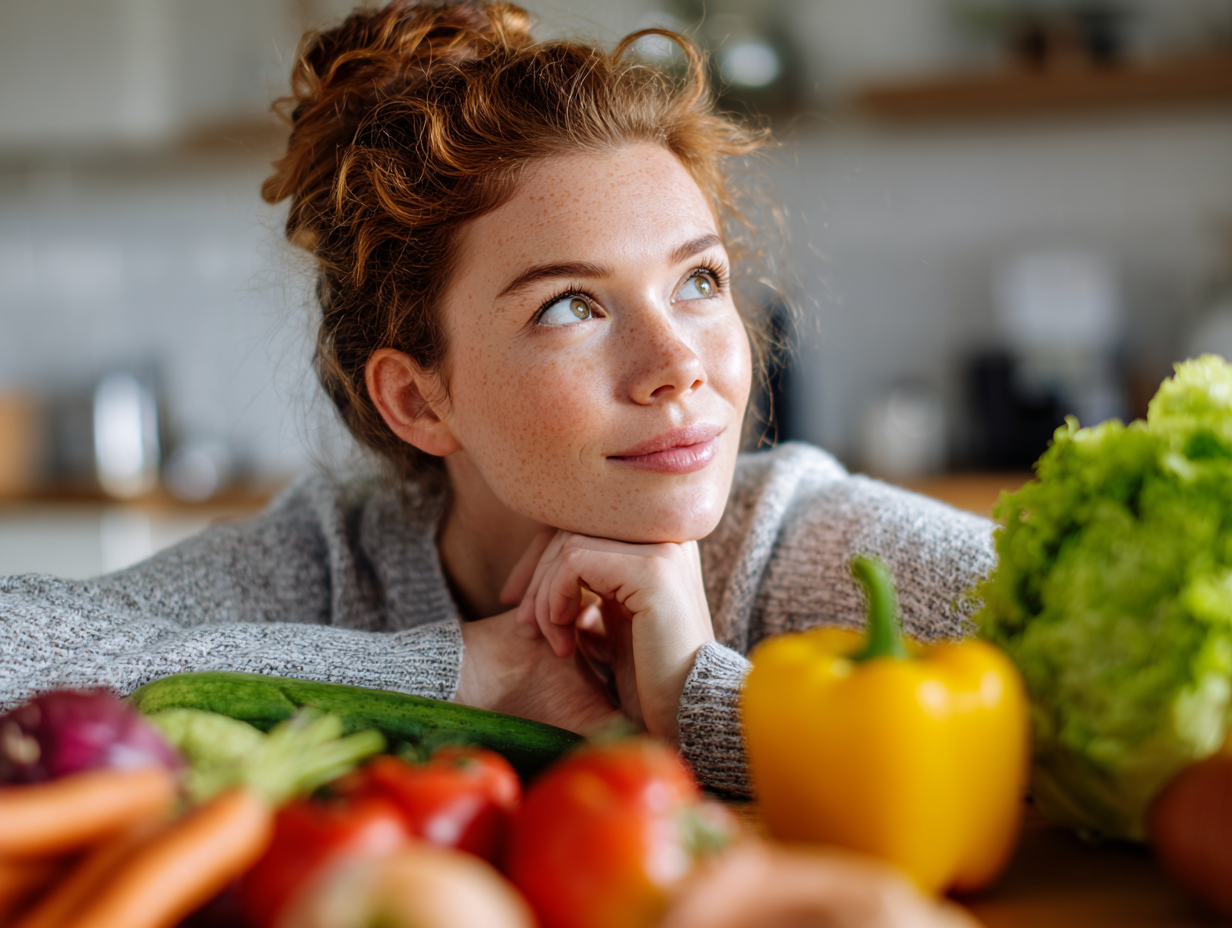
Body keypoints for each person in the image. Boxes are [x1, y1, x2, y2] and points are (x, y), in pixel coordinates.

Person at [0, 0, 992, 799]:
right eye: (571, 306)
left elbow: (1083, 684)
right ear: (418, 401)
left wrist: (696, 693)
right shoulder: (329, 565)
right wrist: (467, 672)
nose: (678, 365)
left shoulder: (794, 539)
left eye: (699, 281)